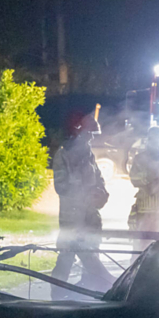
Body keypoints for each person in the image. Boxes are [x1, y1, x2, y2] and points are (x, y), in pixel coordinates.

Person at [50, 107, 114, 295]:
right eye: (89, 134)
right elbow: (61, 186)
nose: (91, 138)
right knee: (66, 257)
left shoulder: (89, 154)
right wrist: (84, 193)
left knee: (92, 256)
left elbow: (99, 179)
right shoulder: (63, 155)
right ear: (78, 132)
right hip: (72, 219)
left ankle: (92, 293)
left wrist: (101, 194)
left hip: (91, 217)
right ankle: (56, 296)